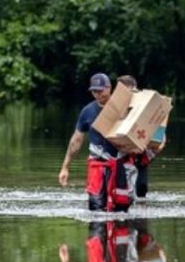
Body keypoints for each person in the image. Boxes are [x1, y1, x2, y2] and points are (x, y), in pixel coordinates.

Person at [58, 73, 137, 212]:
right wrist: (65, 167)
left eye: (101, 90)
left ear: (109, 88)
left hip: (121, 164)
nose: (98, 94)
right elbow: (76, 140)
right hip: (97, 164)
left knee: (121, 208)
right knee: (96, 209)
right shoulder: (87, 112)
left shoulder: (125, 108)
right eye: (94, 91)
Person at [115, 75, 163, 199]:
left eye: (125, 90)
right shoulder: (114, 108)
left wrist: (158, 146)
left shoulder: (146, 106)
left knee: (141, 188)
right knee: (121, 191)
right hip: (122, 154)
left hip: (141, 154)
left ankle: (139, 214)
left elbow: (160, 135)